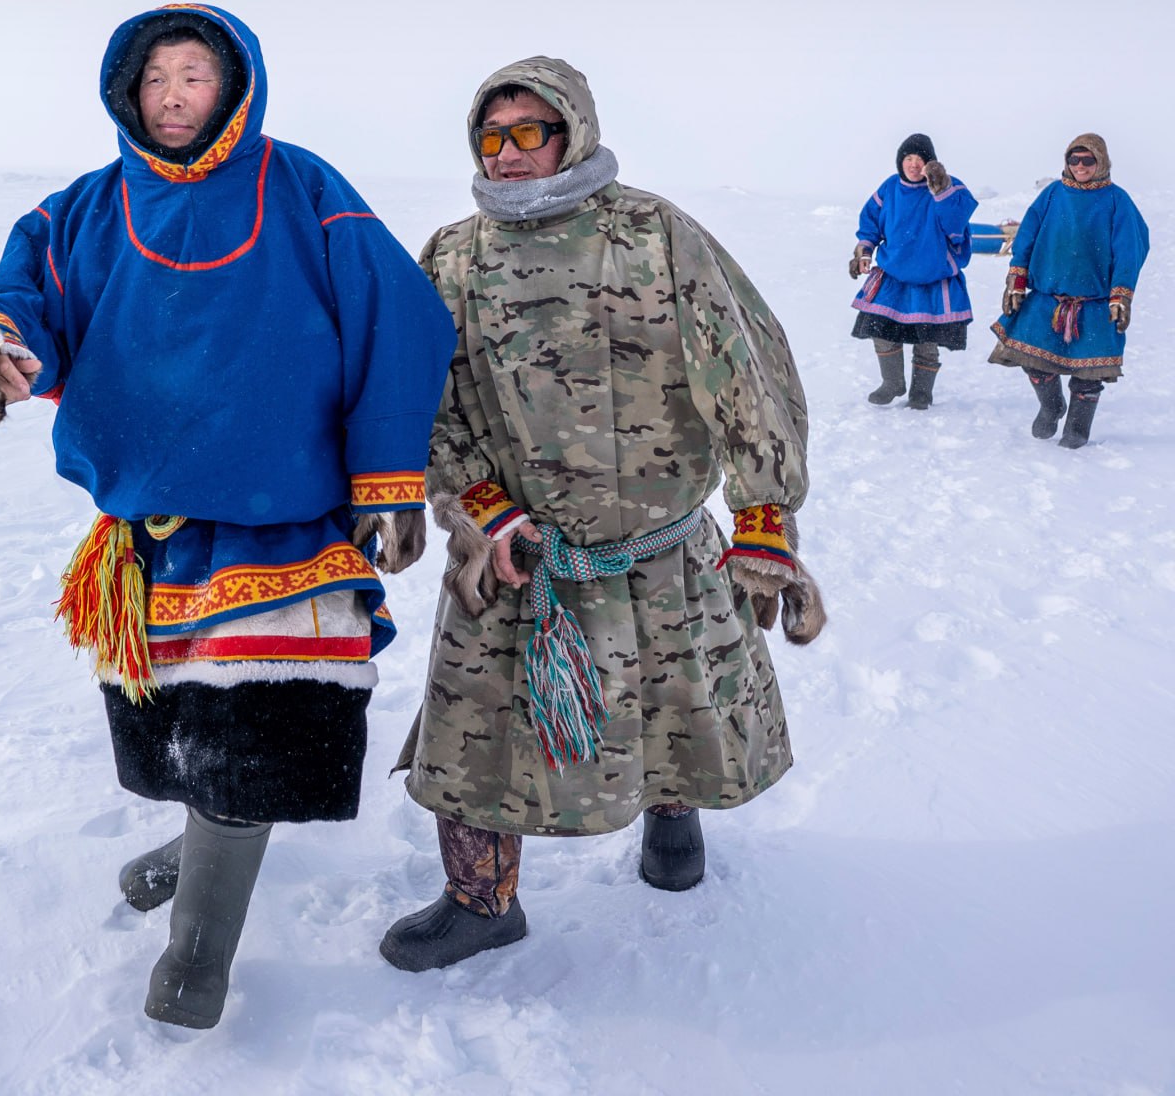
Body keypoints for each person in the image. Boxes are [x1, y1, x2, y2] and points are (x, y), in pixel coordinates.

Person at [0, 4, 456, 1027]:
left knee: (253, 735)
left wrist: (390, 479)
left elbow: (397, 321)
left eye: (194, 75)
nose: (173, 96)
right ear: (127, 91)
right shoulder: (83, 208)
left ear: (235, 86)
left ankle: (196, 959)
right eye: (156, 78)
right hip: (148, 533)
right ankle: (198, 846)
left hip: (289, 523)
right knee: (181, 725)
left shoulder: (305, 187)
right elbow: (11, 294)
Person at [378, 56, 825, 972]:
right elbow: (426, 403)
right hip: (515, 556)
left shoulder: (654, 233)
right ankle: (481, 901)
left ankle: (673, 823)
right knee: (476, 737)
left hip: (662, 548)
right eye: (491, 137)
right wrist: (482, 508)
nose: (507, 154)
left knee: (667, 699)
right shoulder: (453, 257)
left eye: (528, 133)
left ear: (571, 130)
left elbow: (744, 369)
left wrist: (765, 511)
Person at [989, 133, 1149, 448]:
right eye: (1073, 159)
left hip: (1095, 303)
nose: (1080, 165)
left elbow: (1130, 250)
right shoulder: (1052, 194)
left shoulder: (1118, 201)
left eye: (1087, 159)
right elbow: (1027, 237)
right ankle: (1051, 406)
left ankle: (1076, 429)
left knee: (1088, 375)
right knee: (1032, 360)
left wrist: (1121, 295)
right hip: (1047, 299)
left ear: (1100, 161)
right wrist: (1016, 281)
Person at [848, 134, 978, 409]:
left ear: (930, 163)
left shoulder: (949, 187)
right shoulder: (890, 188)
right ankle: (892, 382)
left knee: (926, 338)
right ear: (900, 161)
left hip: (933, 277)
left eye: (920, 159)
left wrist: (941, 190)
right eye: (908, 159)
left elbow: (956, 226)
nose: (914, 165)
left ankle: (921, 393)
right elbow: (870, 223)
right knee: (880, 328)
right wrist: (864, 251)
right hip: (894, 274)